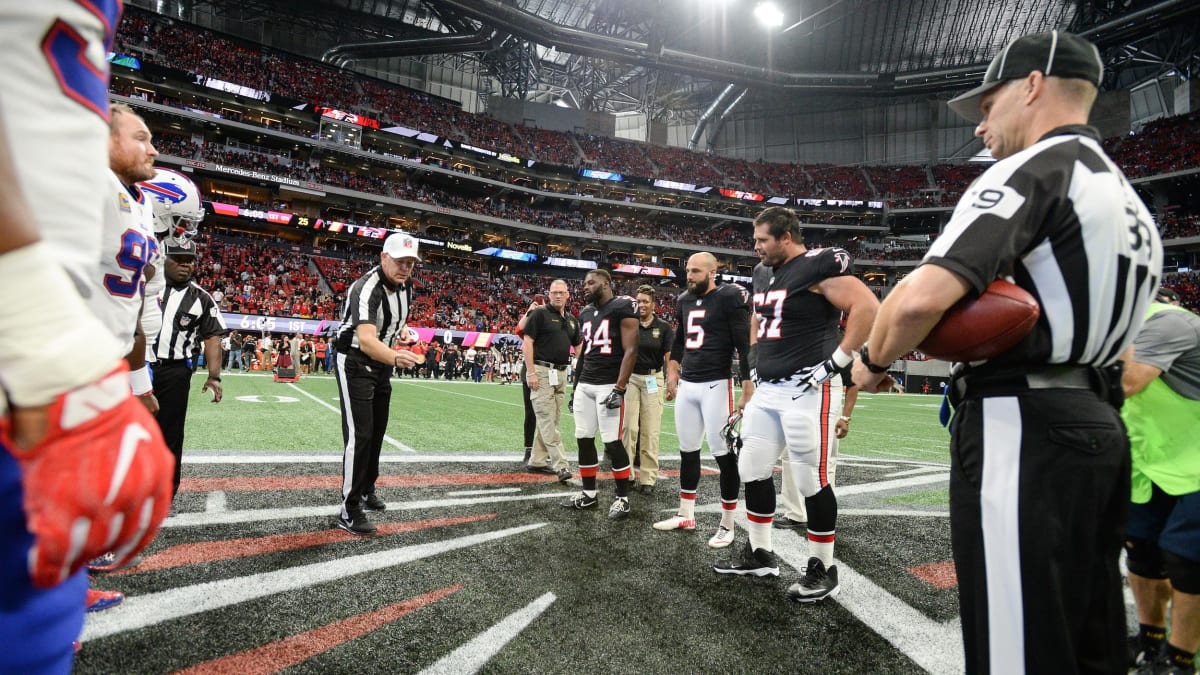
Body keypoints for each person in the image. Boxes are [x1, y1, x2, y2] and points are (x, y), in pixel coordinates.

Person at [852, 31, 1162, 673]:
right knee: (1091, 636)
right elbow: (1130, 367)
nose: (982, 125)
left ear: (1032, 85)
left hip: (1021, 425)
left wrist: (872, 363)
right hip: (1102, 427)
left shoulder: (1033, 171)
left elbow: (916, 301)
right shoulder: (1135, 206)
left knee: (1015, 646)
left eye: (989, 104)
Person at [0, 4, 174, 669]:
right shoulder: (101, 185)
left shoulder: (136, 200)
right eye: (140, 134)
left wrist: (128, 382)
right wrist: (42, 343)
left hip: (64, 366)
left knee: (43, 602)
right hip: (28, 368)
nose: (153, 146)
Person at [713, 207, 877, 599]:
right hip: (768, 388)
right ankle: (760, 553)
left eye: (763, 240)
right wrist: (753, 363)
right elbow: (758, 319)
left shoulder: (817, 266)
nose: (756, 248)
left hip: (807, 389)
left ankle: (823, 566)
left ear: (786, 236)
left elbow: (867, 306)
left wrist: (838, 361)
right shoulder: (762, 273)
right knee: (751, 467)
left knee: (808, 477)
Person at [1121, 291, 1200, 674]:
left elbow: (1128, 381)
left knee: (1188, 560)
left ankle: (1180, 660)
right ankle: (1150, 643)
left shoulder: (1167, 321)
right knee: (1142, 553)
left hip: (1194, 463)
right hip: (1148, 464)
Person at [655, 253, 753, 548]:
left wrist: (747, 386)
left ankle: (727, 522)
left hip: (715, 384)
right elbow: (680, 340)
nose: (690, 275)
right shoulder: (684, 299)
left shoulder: (728, 297)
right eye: (688, 270)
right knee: (688, 451)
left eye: (696, 271)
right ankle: (686, 514)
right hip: (689, 384)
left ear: (713, 272)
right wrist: (672, 370)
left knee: (723, 454)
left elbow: (744, 345)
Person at [332, 232, 423, 536]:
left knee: (378, 430)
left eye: (410, 262)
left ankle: (367, 487)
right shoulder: (366, 288)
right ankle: (349, 508)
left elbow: (391, 325)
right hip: (356, 361)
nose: (405, 267)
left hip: (381, 362)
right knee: (361, 435)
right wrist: (397, 357)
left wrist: (401, 334)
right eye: (400, 261)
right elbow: (368, 340)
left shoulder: (406, 287)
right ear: (384, 257)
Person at [149, 237, 227, 496]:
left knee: (170, 432)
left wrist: (214, 377)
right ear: (164, 259)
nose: (185, 266)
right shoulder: (148, 286)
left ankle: (165, 491)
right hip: (139, 366)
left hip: (174, 372)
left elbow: (212, 337)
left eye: (189, 261)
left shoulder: (201, 298)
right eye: (178, 260)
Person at [560, 269, 639, 519]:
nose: (585, 287)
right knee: (583, 438)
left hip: (608, 384)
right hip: (586, 383)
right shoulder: (585, 312)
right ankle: (589, 495)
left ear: (606, 284)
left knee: (612, 442)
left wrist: (620, 387)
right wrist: (575, 387)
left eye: (590, 283)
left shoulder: (622, 307)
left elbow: (631, 349)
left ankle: (623, 498)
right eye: (584, 283)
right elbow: (584, 354)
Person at [776, 368, 859, 531]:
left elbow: (853, 380)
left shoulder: (834, 345)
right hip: (795, 385)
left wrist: (845, 417)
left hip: (825, 386)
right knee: (790, 452)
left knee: (825, 457)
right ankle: (796, 513)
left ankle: (823, 513)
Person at [521, 281, 578, 482]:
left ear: (568, 295)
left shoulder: (571, 320)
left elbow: (578, 346)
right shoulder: (539, 314)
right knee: (546, 418)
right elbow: (527, 342)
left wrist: (582, 369)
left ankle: (537, 460)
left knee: (552, 419)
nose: (558, 296)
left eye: (561, 293)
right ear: (549, 294)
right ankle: (561, 465)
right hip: (542, 370)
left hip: (561, 374)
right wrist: (530, 372)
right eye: (554, 292)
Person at [623, 285, 674, 494]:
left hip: (653, 379)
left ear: (653, 304)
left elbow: (670, 357)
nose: (642, 305)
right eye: (639, 301)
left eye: (646, 301)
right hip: (631, 378)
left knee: (651, 430)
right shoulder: (628, 325)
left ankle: (648, 478)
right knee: (628, 428)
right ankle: (626, 474)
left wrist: (672, 381)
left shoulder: (663, 328)